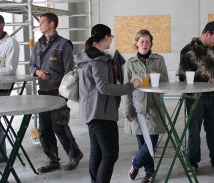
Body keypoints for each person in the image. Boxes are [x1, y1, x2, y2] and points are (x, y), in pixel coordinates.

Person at [76, 24, 140, 183]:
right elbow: (104, 88)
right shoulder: (98, 61)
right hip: (101, 113)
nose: (111, 40)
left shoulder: (85, 57)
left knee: (97, 153)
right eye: (110, 37)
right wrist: (131, 86)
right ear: (105, 37)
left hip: (90, 111)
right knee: (110, 154)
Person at [29, 13, 83, 173]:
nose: (40, 25)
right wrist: (38, 72)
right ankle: (52, 160)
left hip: (58, 92)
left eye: (43, 22)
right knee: (44, 128)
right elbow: (32, 64)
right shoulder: (38, 44)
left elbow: (69, 71)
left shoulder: (63, 44)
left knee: (59, 126)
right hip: (43, 92)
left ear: (52, 24)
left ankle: (74, 154)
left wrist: (64, 93)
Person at [178, 21, 214, 171]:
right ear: (207, 33)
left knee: (213, 131)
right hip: (195, 99)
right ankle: (192, 162)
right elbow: (182, 75)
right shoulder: (188, 50)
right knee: (194, 132)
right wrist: (190, 93)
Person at [123, 29, 168, 183]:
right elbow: (126, 89)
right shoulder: (130, 63)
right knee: (143, 143)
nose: (144, 44)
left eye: (147, 41)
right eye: (141, 41)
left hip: (154, 107)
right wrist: (127, 110)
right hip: (137, 108)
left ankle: (135, 165)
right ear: (136, 43)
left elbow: (166, 83)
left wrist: (157, 78)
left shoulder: (159, 60)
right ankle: (149, 173)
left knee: (151, 142)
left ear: (151, 44)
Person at [0, 15, 20, 163]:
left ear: (2, 25)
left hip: (2, 87)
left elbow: (10, 69)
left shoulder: (11, 43)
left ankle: (1, 155)